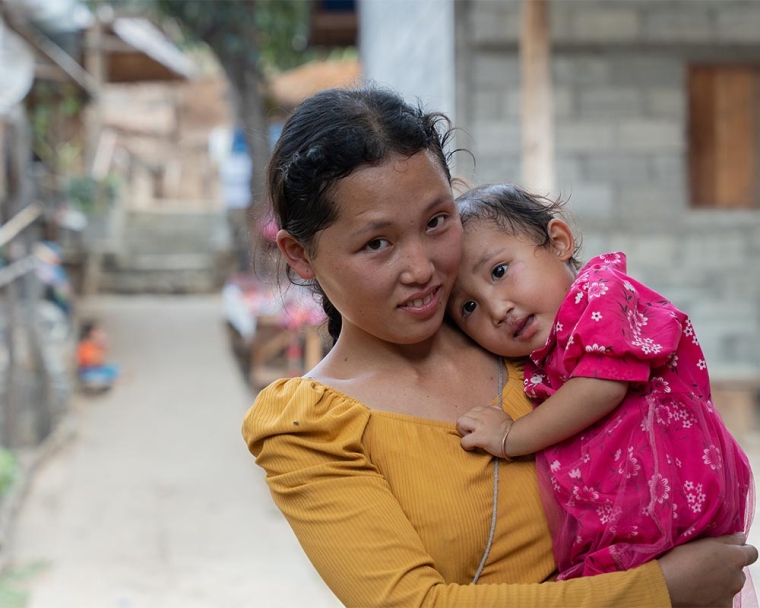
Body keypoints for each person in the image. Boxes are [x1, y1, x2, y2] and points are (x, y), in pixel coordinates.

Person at [241, 85, 757, 607]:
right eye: (377, 243)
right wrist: (660, 589)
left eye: (437, 221)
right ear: (300, 255)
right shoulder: (312, 428)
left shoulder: (529, 341)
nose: (423, 269)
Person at [448, 183, 755, 584]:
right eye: (468, 307)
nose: (497, 307)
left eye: (500, 271)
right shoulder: (544, 347)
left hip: (673, 494)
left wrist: (511, 436)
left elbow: (601, 386)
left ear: (558, 242)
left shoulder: (600, 294)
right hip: (633, 514)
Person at [76, 320, 120, 389]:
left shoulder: (93, 344)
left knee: (114, 368)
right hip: (88, 372)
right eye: (96, 331)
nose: (98, 333)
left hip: (95, 369)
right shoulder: (85, 346)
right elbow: (94, 361)